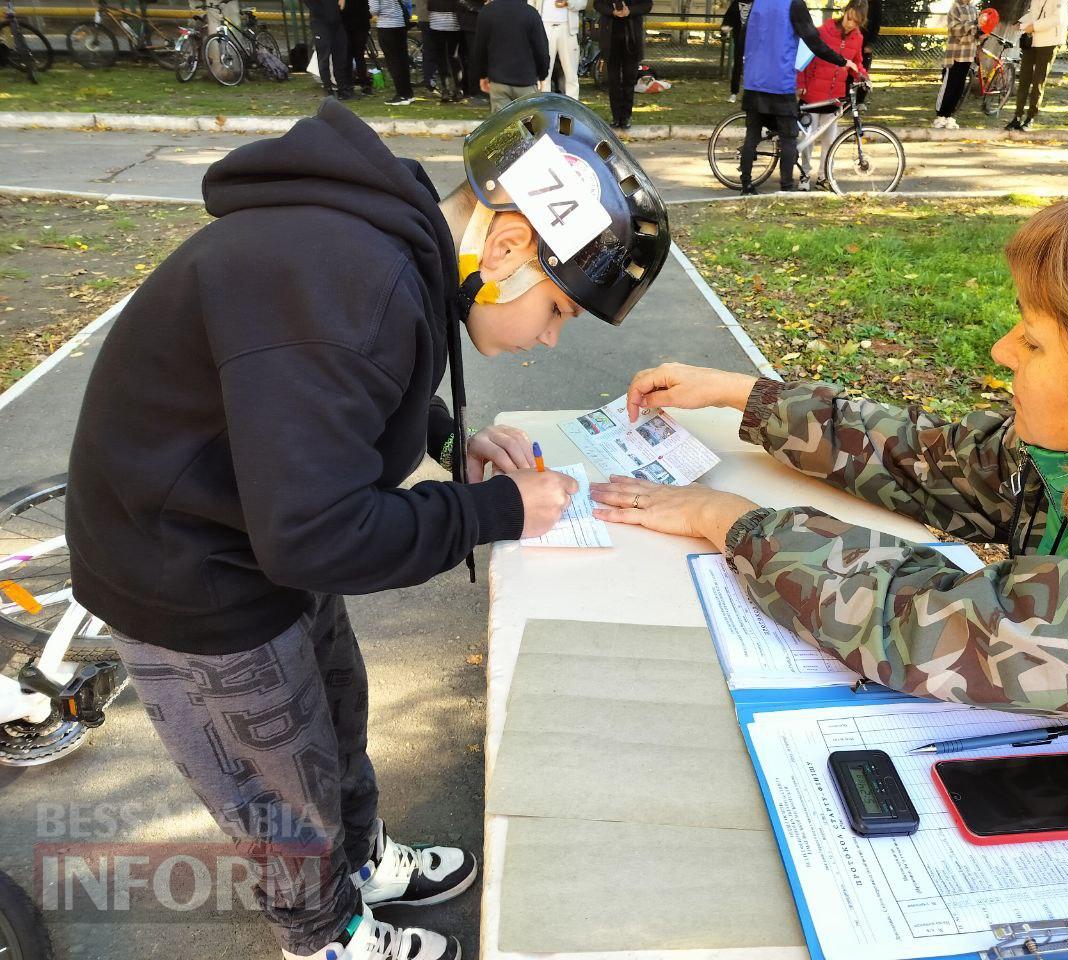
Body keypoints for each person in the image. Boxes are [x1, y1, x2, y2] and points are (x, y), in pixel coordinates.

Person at [590, 153, 1068, 914]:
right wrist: (749, 398)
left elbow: (940, 628)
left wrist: (729, 521)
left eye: (1036, 341)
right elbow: (946, 461)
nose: (1001, 352)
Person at [66, 94, 671, 960]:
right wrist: (496, 512)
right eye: (560, 311)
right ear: (508, 247)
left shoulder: (386, 253)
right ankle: (322, 937)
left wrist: (447, 439)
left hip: (247, 517)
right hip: (186, 566)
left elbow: (328, 397)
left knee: (334, 712)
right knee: (280, 785)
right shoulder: (354, 282)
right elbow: (316, 533)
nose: (547, 339)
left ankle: (361, 859)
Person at [736, 0, 860, 195]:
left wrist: (739, 77)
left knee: (752, 135)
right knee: (788, 138)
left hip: (755, 80)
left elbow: (743, 39)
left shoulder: (757, 3)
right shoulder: (794, 5)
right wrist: (842, 61)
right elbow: (814, 42)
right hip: (779, 82)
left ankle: (746, 185)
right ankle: (786, 188)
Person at [796, 0, 867, 190]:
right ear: (845, 12)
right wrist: (801, 82)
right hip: (812, 93)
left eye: (856, 22)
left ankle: (824, 176)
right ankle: (804, 174)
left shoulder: (857, 38)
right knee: (807, 139)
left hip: (835, 96)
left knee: (829, 140)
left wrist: (863, 76)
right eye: (849, 18)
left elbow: (856, 62)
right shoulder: (822, 31)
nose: (850, 24)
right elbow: (804, 56)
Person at [475, 0, 550, 111]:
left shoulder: (487, 12)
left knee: (504, 125)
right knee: (527, 124)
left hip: (498, 80)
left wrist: (482, 74)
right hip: (526, 80)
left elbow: (480, 48)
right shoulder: (531, 13)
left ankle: (513, 130)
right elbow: (541, 49)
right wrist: (542, 74)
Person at [1006, 0, 1068, 131]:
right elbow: (1035, 13)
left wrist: (1034, 26)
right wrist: (1022, 22)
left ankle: (1030, 118)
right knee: (1024, 79)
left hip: (1049, 41)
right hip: (1032, 40)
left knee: (1038, 81)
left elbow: (1057, 18)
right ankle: (1017, 117)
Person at [593, 0, 652, 130]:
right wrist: (612, 12)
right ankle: (616, 117)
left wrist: (629, 11)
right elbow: (597, 4)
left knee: (629, 79)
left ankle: (625, 117)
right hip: (611, 39)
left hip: (631, 39)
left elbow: (647, 5)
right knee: (613, 80)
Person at [933, 0, 978, 129]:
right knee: (949, 86)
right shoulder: (955, 8)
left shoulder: (973, 9)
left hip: (968, 55)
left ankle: (949, 116)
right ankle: (940, 115)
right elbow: (955, 30)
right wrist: (973, 26)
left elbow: (975, 34)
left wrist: (980, 34)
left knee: (959, 88)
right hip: (955, 55)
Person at [535, 0, 587, 99]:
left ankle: (572, 109)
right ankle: (543, 108)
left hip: (567, 28)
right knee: (543, 75)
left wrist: (568, 2)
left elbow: (583, 3)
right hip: (543, 26)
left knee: (571, 75)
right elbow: (531, 3)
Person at [306, 0, 355, 99]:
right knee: (324, 57)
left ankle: (342, 89)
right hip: (320, 23)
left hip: (337, 22)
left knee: (340, 56)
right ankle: (328, 88)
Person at [370, 0, 415, 104]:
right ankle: (408, 93)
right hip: (400, 24)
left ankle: (401, 94)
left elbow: (374, 10)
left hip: (386, 25)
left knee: (393, 62)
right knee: (402, 59)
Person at [426, 0, 464, 100]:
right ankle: (458, 88)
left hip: (436, 24)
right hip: (453, 25)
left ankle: (445, 89)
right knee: (454, 57)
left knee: (441, 58)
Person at [719, 0, 752, 104]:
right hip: (739, 40)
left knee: (752, 67)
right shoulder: (735, 4)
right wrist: (724, 30)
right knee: (737, 66)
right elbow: (727, 19)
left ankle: (750, 93)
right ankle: (734, 93)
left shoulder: (757, 4)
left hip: (754, 41)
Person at [456, 0, 486, 106]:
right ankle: (474, 91)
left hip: (470, 22)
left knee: (472, 58)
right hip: (472, 23)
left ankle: (471, 90)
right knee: (474, 58)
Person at [341, 0, 373, 95]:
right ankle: (363, 83)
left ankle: (349, 84)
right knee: (359, 56)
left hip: (348, 24)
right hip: (360, 23)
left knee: (349, 55)